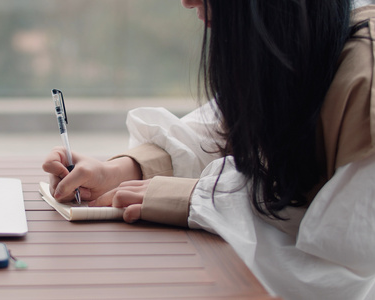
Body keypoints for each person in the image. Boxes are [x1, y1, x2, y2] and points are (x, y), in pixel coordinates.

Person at [43, 0, 375, 299]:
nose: (186, 2)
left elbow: (338, 272)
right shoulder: (301, 42)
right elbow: (216, 131)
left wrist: (196, 200)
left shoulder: (366, 79)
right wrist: (120, 171)